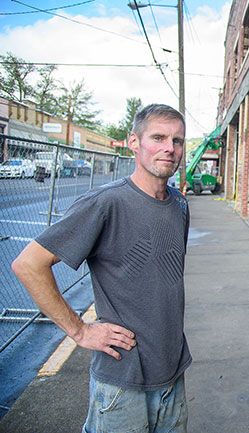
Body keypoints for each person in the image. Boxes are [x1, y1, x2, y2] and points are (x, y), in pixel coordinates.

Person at [12, 103, 191, 433]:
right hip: (123, 380)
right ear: (133, 142)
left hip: (172, 372)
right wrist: (79, 331)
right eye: (159, 137)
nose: (170, 148)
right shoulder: (106, 203)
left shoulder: (180, 204)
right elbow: (28, 264)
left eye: (177, 140)